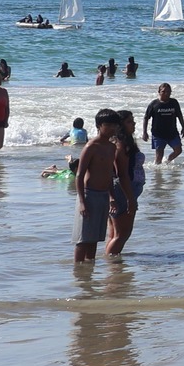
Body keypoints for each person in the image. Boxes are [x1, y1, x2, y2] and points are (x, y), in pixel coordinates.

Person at [73, 111, 123, 265]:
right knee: (83, 239)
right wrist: (82, 202)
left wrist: (112, 196)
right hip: (89, 195)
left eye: (114, 125)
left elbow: (109, 174)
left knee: (94, 238)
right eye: (107, 125)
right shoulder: (91, 146)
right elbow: (79, 175)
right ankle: (79, 271)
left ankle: (89, 271)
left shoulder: (111, 147)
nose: (111, 128)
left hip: (103, 196)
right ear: (98, 126)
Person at [106, 111, 146, 256]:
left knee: (115, 233)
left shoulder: (120, 142)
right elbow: (121, 174)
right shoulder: (120, 144)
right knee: (122, 234)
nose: (134, 124)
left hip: (123, 189)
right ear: (121, 125)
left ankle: (112, 268)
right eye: (130, 121)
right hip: (124, 189)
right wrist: (130, 199)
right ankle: (112, 265)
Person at [145, 83, 184, 163]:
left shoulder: (174, 102)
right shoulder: (154, 104)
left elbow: (179, 115)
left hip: (172, 132)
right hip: (158, 134)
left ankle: (167, 161)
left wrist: (183, 128)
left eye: (168, 91)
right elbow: (146, 118)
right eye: (164, 91)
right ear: (159, 92)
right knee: (159, 156)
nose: (166, 93)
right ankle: (157, 173)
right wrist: (144, 132)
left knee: (178, 150)